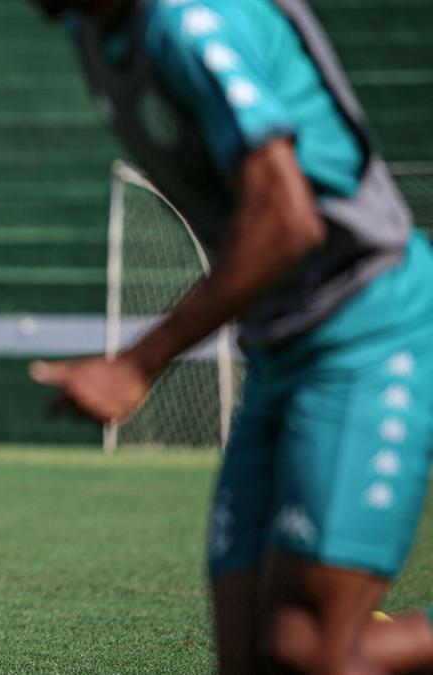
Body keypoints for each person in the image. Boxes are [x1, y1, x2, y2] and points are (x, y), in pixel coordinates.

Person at [27, 0, 433, 672]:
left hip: (368, 328)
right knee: (253, 656)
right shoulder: (94, 33)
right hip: (279, 349)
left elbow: (287, 219)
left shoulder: (192, 21)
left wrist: (137, 362)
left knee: (306, 649)